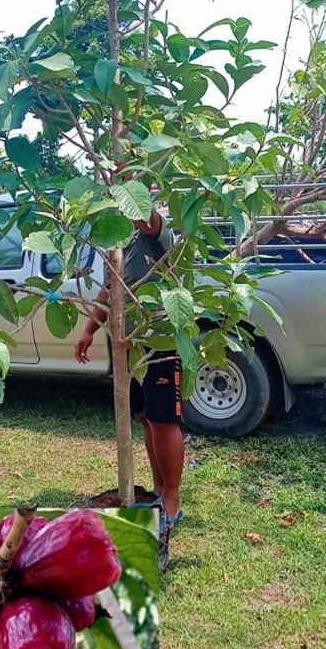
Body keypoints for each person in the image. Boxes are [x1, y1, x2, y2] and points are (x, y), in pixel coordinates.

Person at [74, 206, 185, 561]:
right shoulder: (117, 242)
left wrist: (128, 177)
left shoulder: (154, 231)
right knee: (144, 417)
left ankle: (172, 498)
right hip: (130, 342)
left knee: (164, 419)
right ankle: (157, 487)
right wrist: (90, 329)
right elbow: (110, 290)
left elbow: (148, 219)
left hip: (163, 339)